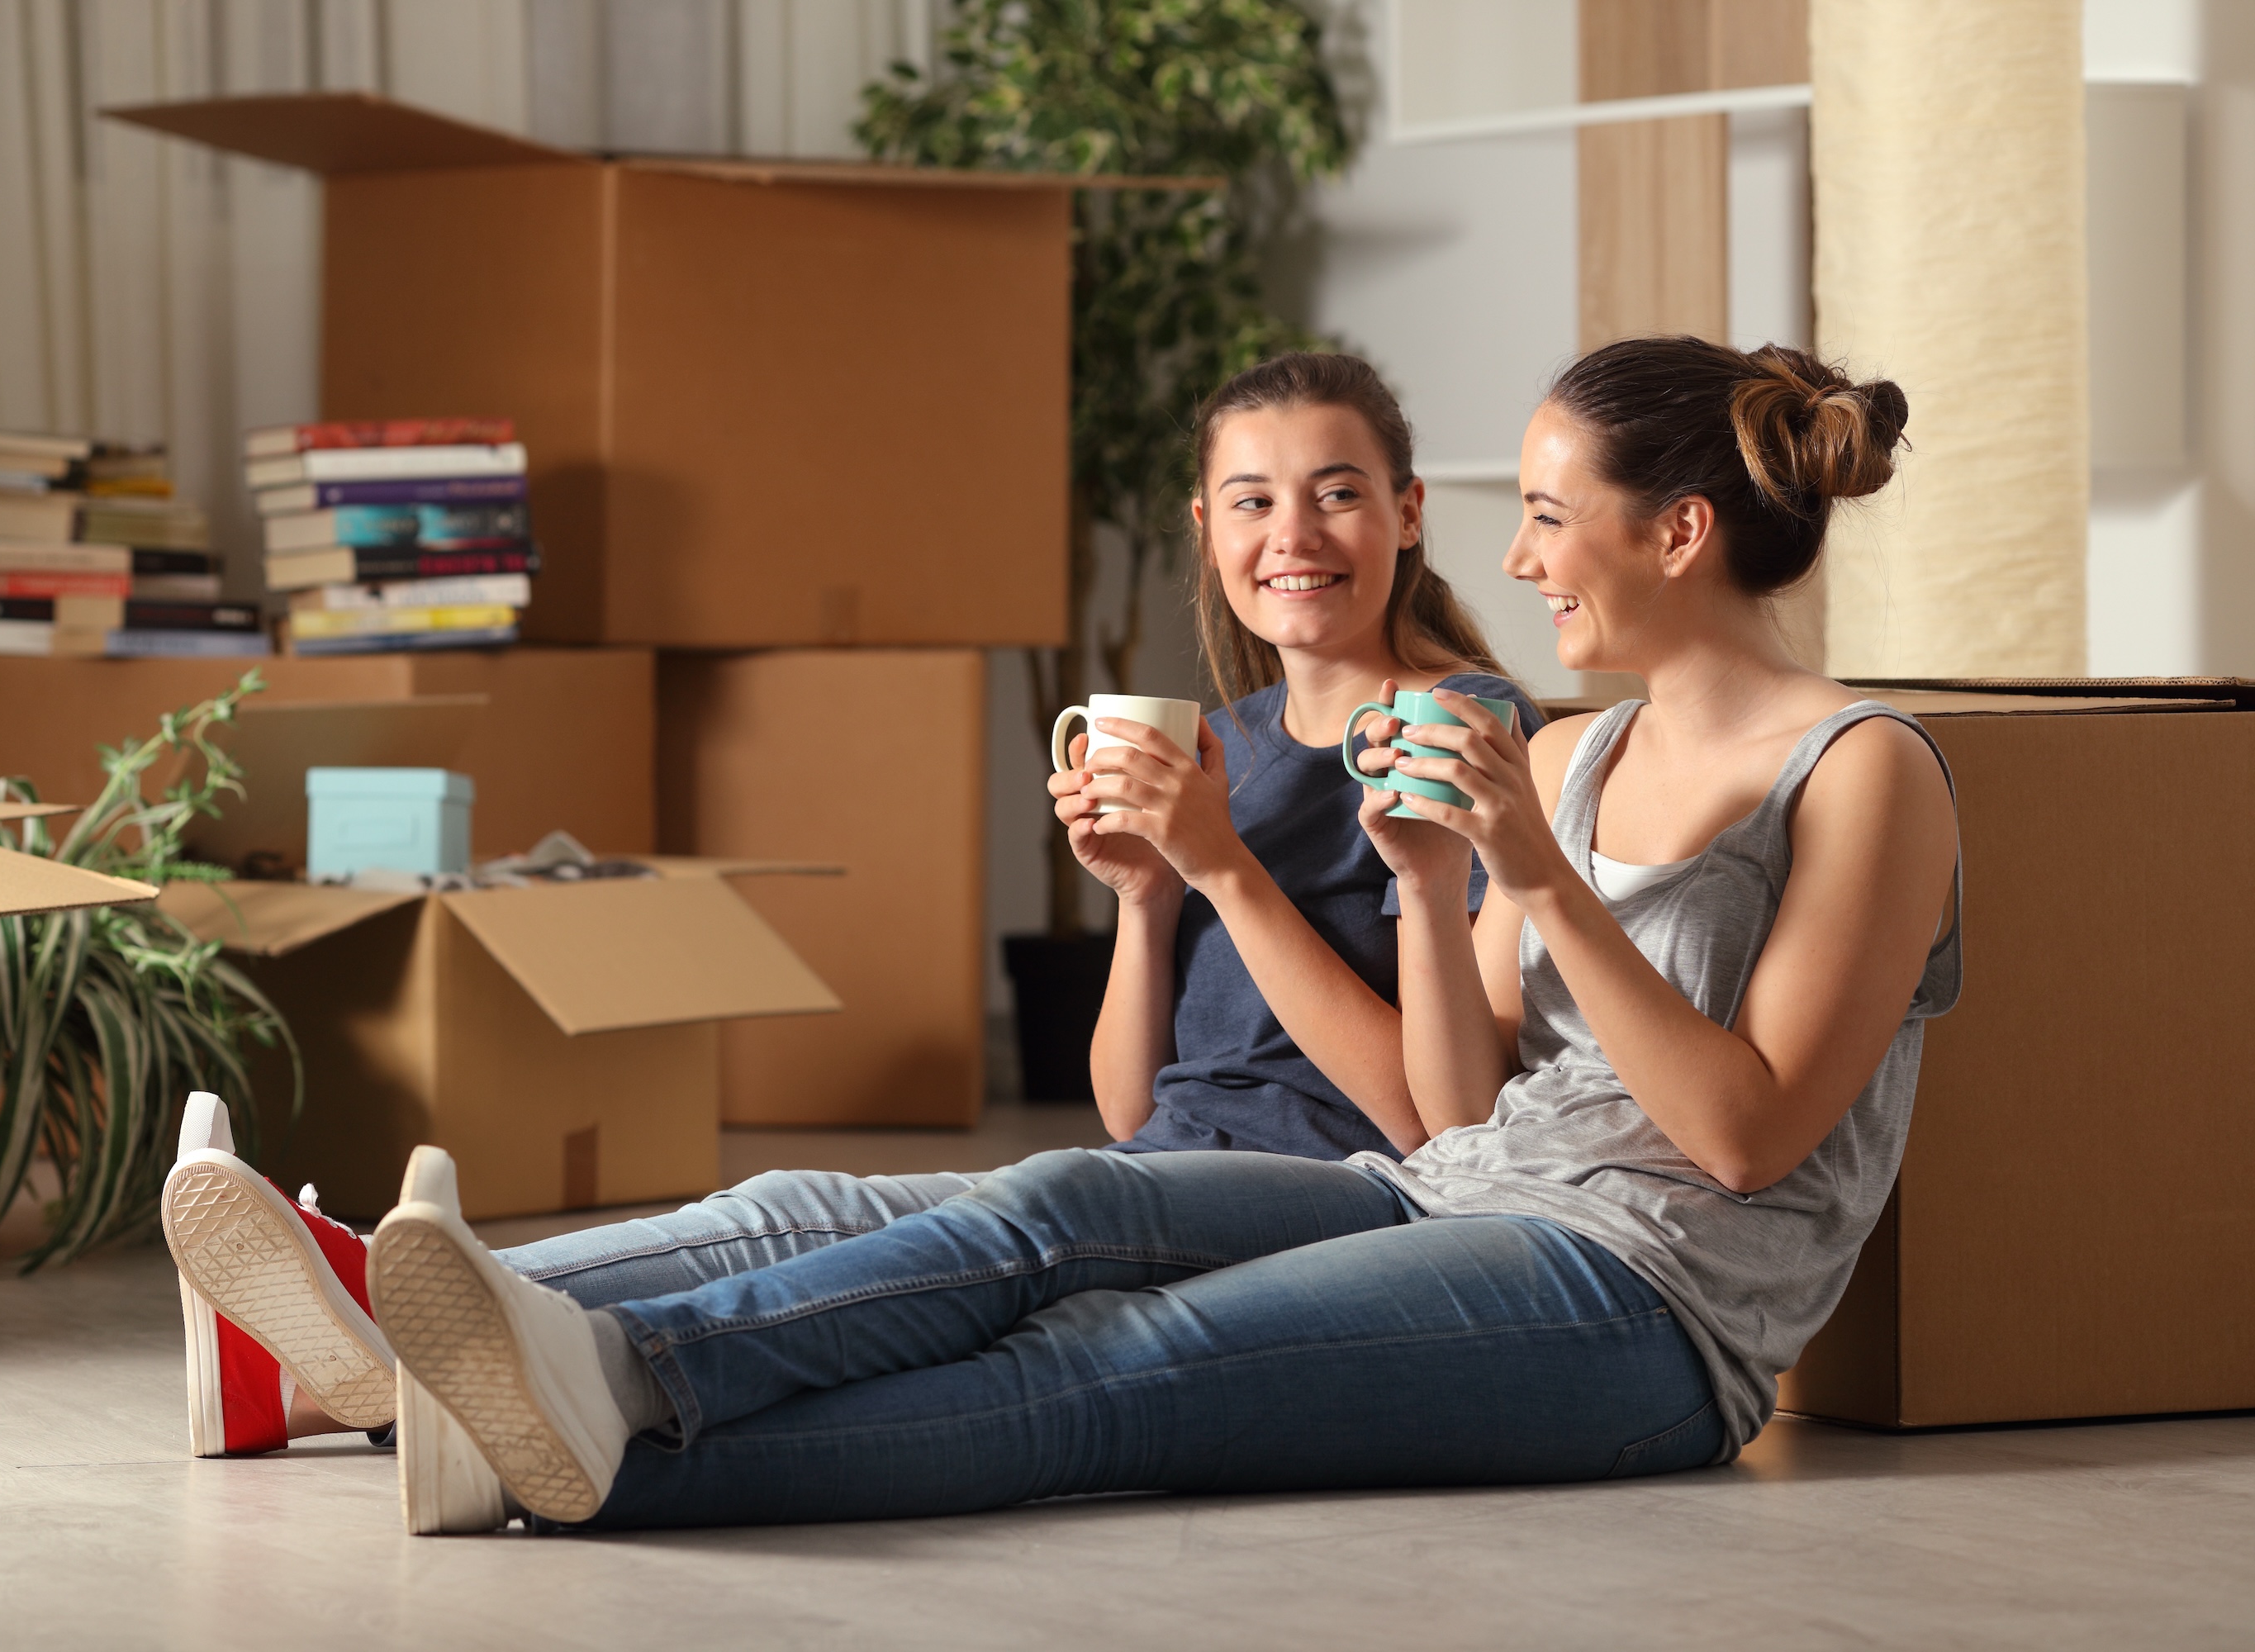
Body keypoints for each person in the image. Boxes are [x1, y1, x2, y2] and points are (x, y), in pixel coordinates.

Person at [340, 334, 1962, 1531]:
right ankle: (583, 1365)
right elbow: (1458, 1116)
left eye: (1550, 516)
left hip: (1653, 1304)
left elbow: (1748, 1137)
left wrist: (1530, 880)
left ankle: (575, 1429)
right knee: (1061, 1199)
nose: (1523, 556)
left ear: (1675, 533)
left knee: (1119, 1367)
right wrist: (1425, 880)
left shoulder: (1865, 772)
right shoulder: (1573, 754)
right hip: (1436, 1194)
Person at [160, 354, 1543, 1515]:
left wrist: (1224, 870)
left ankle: (563, 1360)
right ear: (1205, 526)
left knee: (1032, 1210)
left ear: (1409, 514)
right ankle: (328, 1327)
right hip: (1176, 1169)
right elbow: (1138, 1105)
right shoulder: (1226, 744)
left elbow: (1440, 1129)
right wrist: (1146, 896)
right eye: (1253, 500)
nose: (1292, 534)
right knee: (796, 1205)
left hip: (1343, 1198)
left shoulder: (1462, 731)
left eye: (1338, 494)